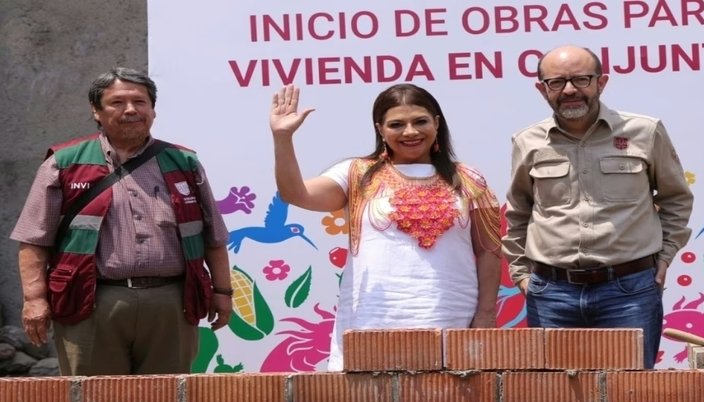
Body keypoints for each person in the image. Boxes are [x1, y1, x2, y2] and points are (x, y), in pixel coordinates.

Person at [10, 67, 233, 375]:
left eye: (140, 102)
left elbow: (213, 237)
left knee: (166, 398)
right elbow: (34, 240)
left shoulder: (184, 162)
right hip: (89, 303)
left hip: (171, 303)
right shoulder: (64, 163)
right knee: (94, 398)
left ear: (153, 110)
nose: (130, 110)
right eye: (117, 102)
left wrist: (222, 292)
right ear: (96, 111)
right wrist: (34, 299)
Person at [269, 83, 502, 371]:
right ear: (380, 129)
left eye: (420, 121)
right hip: (373, 319)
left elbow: (489, 250)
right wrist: (282, 138)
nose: (410, 132)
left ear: (436, 123)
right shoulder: (357, 173)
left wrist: (486, 313)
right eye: (396, 124)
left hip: (451, 317)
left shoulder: (468, 178)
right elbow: (296, 194)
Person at [503, 45, 693, 369]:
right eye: (556, 82)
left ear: (601, 82)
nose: (569, 90)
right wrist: (521, 275)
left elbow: (676, 198)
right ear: (542, 89)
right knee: (555, 392)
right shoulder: (528, 141)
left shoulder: (644, 132)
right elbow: (519, 212)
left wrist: (664, 257)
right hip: (552, 294)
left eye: (581, 79)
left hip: (629, 291)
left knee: (631, 390)